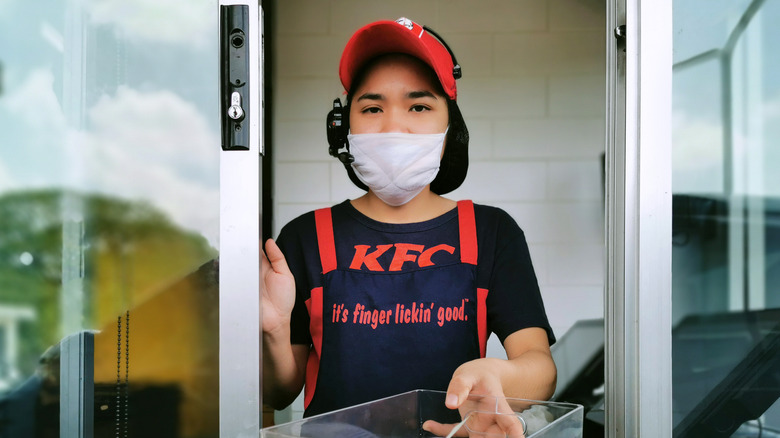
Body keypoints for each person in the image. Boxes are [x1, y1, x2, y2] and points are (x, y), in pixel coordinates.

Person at [261, 17, 556, 433]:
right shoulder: (305, 236)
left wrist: (500, 376)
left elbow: (539, 367)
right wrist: (272, 330)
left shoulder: (491, 232)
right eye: (372, 108)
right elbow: (277, 393)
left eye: (418, 106)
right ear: (346, 127)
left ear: (450, 128)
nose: (394, 127)